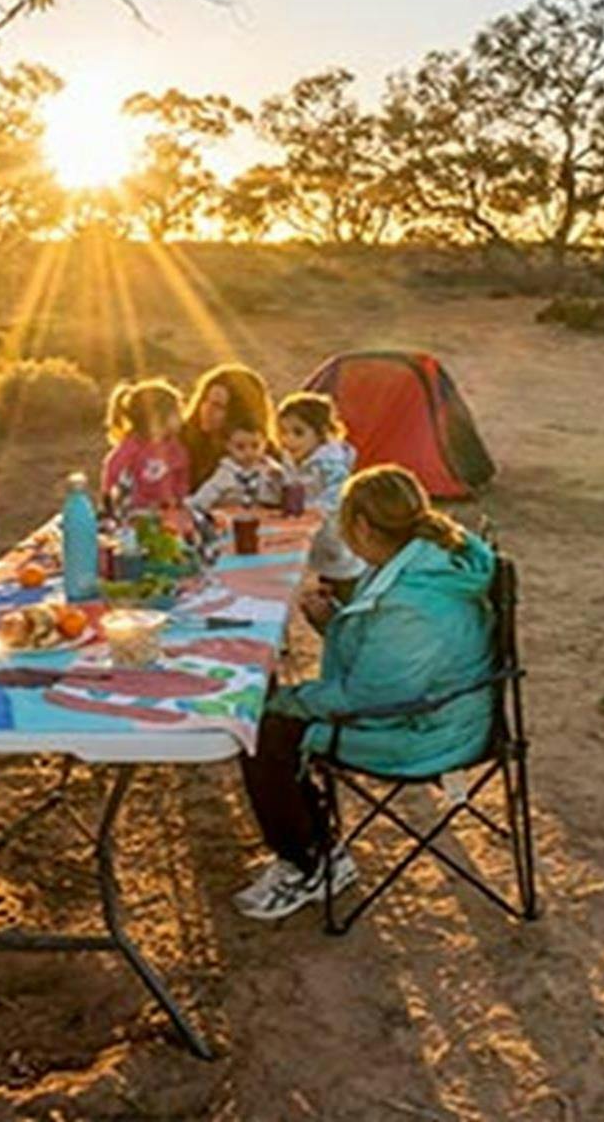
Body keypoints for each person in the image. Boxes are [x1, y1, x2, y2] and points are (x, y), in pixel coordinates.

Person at [234, 465, 496, 921]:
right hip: (445, 708)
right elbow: (389, 662)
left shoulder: (409, 603)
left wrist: (279, 702)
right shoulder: (424, 560)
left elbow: (365, 698)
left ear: (362, 527)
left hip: (428, 732)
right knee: (274, 713)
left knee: (262, 728)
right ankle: (316, 843)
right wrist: (331, 623)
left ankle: (308, 863)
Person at [274, 390, 363, 585]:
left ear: (321, 433)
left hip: (334, 548)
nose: (288, 440)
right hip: (307, 543)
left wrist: (314, 510)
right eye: (283, 432)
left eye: (298, 432)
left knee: (334, 588)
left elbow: (337, 494)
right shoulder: (292, 458)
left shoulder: (329, 464)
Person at [100, 377, 192, 509]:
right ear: (158, 417)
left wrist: (180, 499)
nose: (182, 418)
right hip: (134, 510)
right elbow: (112, 472)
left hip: (167, 510)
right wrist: (108, 500)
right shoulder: (132, 447)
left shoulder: (175, 448)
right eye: (177, 413)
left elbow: (182, 478)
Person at [179, 363, 273, 485]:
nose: (207, 410)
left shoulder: (261, 455)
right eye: (205, 400)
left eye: (218, 406)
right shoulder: (182, 443)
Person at [187, 422, 286, 510]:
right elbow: (208, 492)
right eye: (240, 447)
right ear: (228, 446)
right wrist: (193, 506)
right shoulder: (226, 471)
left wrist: (277, 481)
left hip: (263, 517)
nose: (249, 452)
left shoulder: (270, 468)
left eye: (255, 446)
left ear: (265, 444)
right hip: (231, 517)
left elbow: (277, 499)